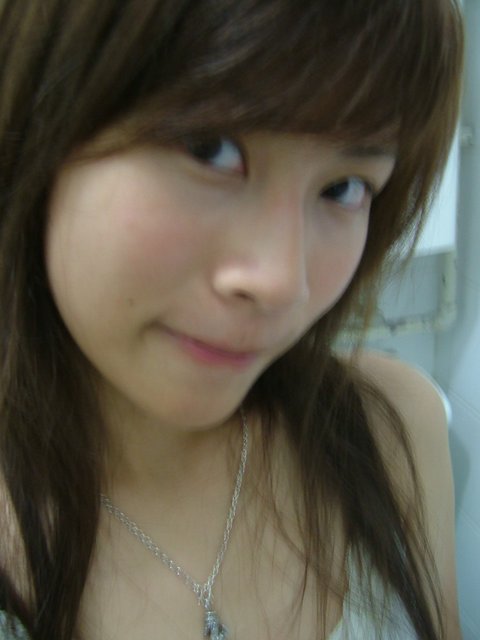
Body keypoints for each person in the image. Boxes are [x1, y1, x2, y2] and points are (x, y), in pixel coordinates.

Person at [0, 1, 464, 638]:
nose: (283, 283)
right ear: (38, 125)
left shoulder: (392, 432)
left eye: (343, 188)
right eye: (210, 149)